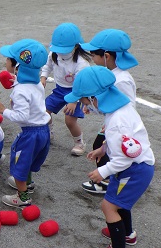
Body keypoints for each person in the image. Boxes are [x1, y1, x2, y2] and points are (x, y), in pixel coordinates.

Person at [64, 66, 154, 248]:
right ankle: (127, 234)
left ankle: (119, 243)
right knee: (118, 203)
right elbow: (123, 142)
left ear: (94, 99)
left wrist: (102, 171)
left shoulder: (116, 123)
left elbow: (124, 159)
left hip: (134, 170)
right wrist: (104, 149)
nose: (84, 106)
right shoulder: (121, 109)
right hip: (135, 166)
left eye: (84, 102)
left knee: (108, 206)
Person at [0, 39, 50, 208]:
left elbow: (22, 116)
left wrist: (3, 110)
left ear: (17, 65)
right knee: (29, 161)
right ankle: (28, 183)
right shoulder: (36, 83)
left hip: (30, 133)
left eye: (8, 59)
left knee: (19, 164)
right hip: (43, 130)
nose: (5, 61)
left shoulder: (20, 91)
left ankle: (23, 196)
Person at [79, 29, 138, 194]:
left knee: (103, 145)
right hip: (114, 120)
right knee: (105, 146)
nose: (92, 59)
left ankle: (105, 181)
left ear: (106, 56)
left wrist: (113, 122)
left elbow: (128, 105)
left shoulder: (121, 80)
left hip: (120, 123)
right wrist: (90, 105)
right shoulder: (111, 74)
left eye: (94, 55)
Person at [40, 22, 92, 156]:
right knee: (44, 112)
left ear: (76, 46)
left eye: (65, 49)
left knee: (69, 120)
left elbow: (82, 84)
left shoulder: (81, 63)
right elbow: (47, 66)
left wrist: (74, 101)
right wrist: (43, 77)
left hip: (76, 92)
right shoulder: (54, 54)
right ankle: (48, 133)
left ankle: (79, 142)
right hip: (59, 89)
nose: (61, 52)